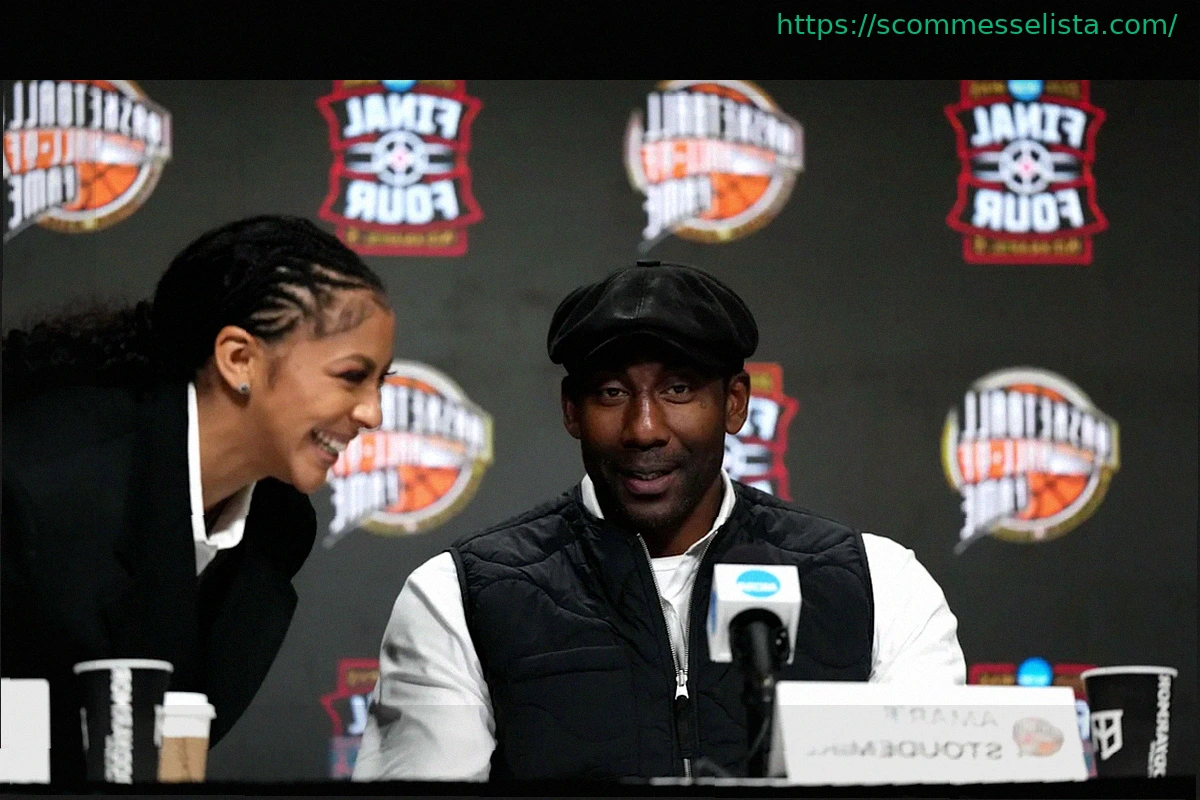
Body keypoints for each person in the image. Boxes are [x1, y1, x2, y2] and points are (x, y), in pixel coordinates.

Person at [353, 261, 965, 782]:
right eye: (612, 393)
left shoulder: (880, 584)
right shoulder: (458, 597)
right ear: (572, 410)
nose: (644, 429)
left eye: (678, 390)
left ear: (734, 403)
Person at [1, 215, 395, 784]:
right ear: (239, 358)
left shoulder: (280, 525)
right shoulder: (42, 484)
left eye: (382, 382)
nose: (373, 413)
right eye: (352, 376)